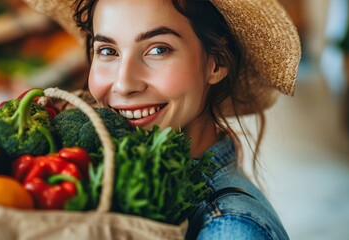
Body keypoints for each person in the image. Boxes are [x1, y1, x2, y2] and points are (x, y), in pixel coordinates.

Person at [23, 0, 301, 239]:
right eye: (108, 51)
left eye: (158, 49)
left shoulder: (230, 229)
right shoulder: (109, 178)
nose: (123, 84)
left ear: (217, 63)